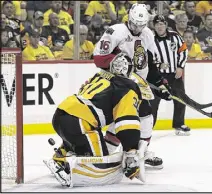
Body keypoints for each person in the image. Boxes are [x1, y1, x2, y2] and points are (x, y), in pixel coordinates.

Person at [44, 53, 148, 187]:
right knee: (100, 163)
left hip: (60, 114)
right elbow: (127, 121)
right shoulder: (127, 88)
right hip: (80, 122)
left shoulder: (99, 77)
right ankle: (70, 166)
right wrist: (131, 150)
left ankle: (61, 155)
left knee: (79, 140)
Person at [93, 3, 172, 167]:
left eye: (141, 25)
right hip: (116, 83)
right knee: (122, 118)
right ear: (129, 19)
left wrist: (160, 83)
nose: (137, 28)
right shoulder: (115, 32)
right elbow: (99, 58)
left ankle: (141, 152)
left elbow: (148, 61)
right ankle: (104, 150)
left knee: (145, 117)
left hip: (138, 85)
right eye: (135, 24)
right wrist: (119, 62)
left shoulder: (148, 34)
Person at [148, 15, 190, 136]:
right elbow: (148, 57)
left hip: (175, 75)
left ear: (166, 25)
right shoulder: (150, 39)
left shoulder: (175, 36)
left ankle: (179, 123)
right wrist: (158, 64)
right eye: (157, 24)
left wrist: (180, 66)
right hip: (157, 76)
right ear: (154, 26)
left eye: (162, 24)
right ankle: (149, 126)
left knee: (180, 99)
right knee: (153, 103)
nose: (159, 26)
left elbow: (183, 50)